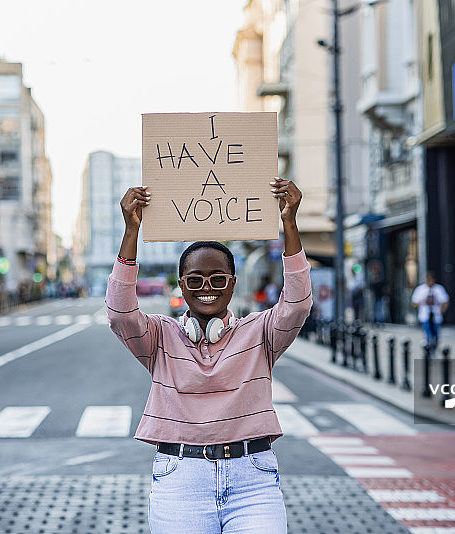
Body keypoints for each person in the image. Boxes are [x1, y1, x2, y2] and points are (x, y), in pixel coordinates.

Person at [106, 178, 311, 533]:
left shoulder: (260, 332)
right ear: (181, 285)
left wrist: (289, 223)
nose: (206, 288)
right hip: (180, 479)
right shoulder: (159, 335)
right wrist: (131, 233)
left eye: (218, 279)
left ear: (232, 283)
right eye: (195, 279)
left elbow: (296, 305)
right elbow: (120, 314)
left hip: (254, 480)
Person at [411, 271, 450, 353]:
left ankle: (433, 349)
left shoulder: (439, 289)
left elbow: (445, 301)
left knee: (436, 335)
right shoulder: (420, 289)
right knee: (427, 334)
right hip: (425, 315)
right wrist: (422, 302)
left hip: (436, 315)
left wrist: (442, 310)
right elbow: (414, 303)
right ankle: (428, 351)